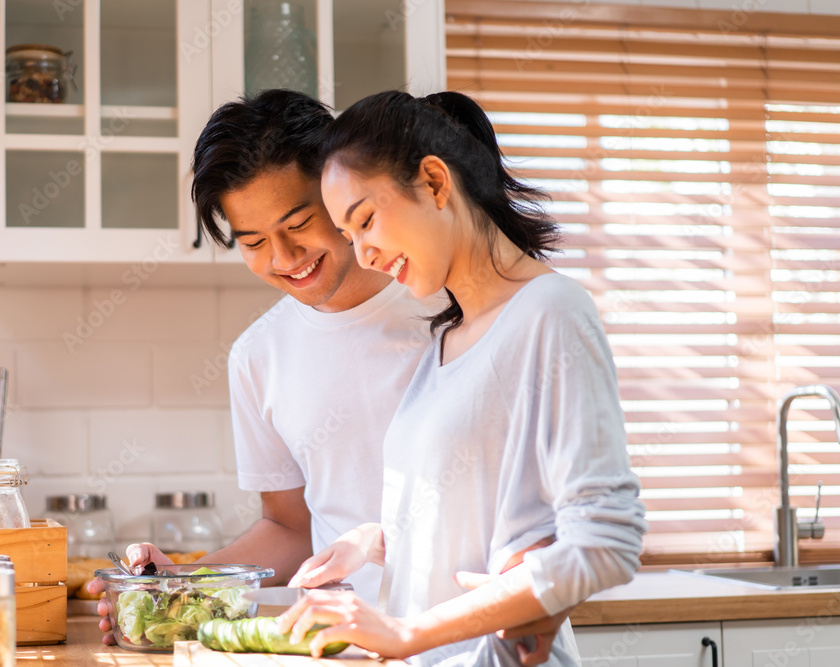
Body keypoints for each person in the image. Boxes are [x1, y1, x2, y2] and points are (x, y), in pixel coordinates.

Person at [88, 89, 569, 664]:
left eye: (299, 222)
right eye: (254, 242)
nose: (284, 257)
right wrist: (182, 583)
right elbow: (291, 527)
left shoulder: (459, 297)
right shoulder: (258, 356)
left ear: (341, 190)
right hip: (348, 651)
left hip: (490, 644)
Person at [275, 90, 648, 665]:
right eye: (349, 238)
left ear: (433, 181)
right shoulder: (447, 338)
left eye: (366, 220)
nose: (365, 254)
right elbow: (475, 514)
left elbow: (606, 541)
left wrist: (406, 636)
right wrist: (374, 540)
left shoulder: (551, 312)